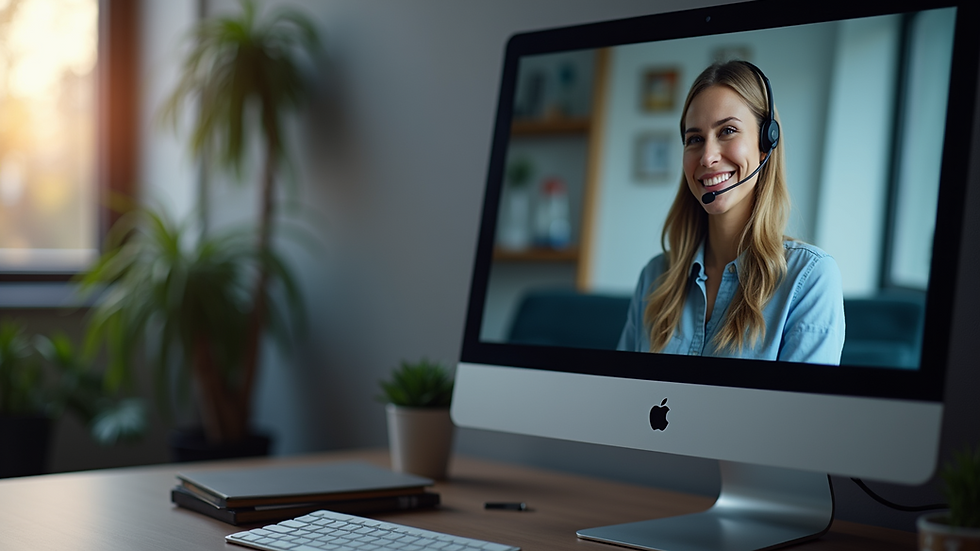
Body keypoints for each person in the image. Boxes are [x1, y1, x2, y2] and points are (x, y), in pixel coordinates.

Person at [618, 60, 845, 364]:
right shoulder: (655, 277)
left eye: (727, 131)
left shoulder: (809, 278)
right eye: (695, 139)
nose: (707, 157)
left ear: (765, 144)